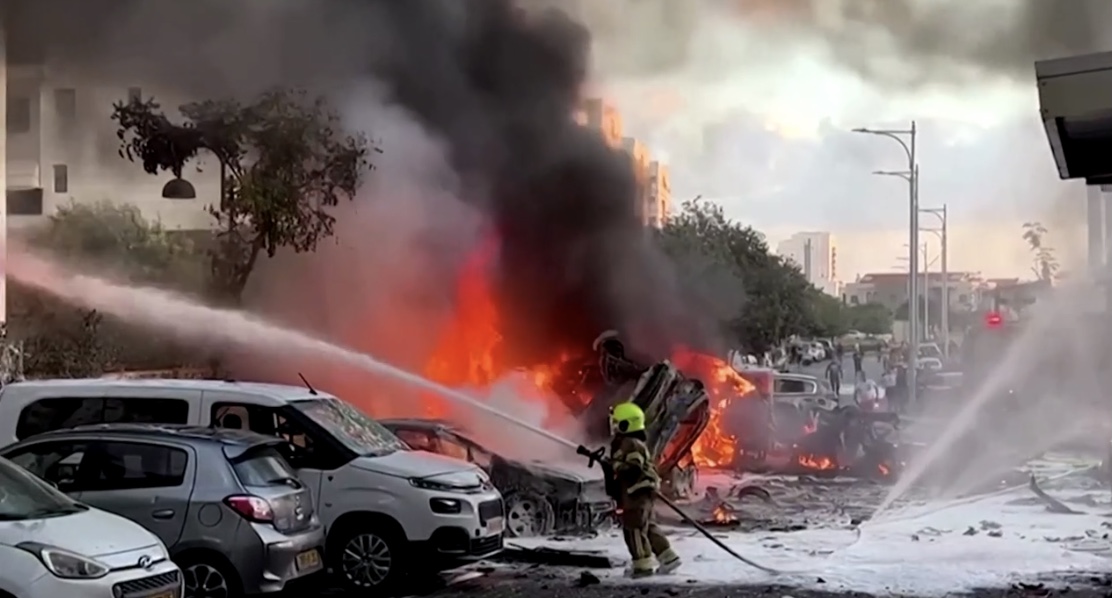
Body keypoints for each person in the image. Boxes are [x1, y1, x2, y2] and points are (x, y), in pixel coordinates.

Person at [609, 402, 681, 577]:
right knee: (647, 526)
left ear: (626, 425)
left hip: (637, 491)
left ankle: (643, 566)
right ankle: (668, 558)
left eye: (617, 422)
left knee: (633, 528)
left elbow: (634, 467)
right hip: (642, 491)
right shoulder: (633, 442)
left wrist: (615, 465)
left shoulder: (630, 443)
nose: (613, 426)